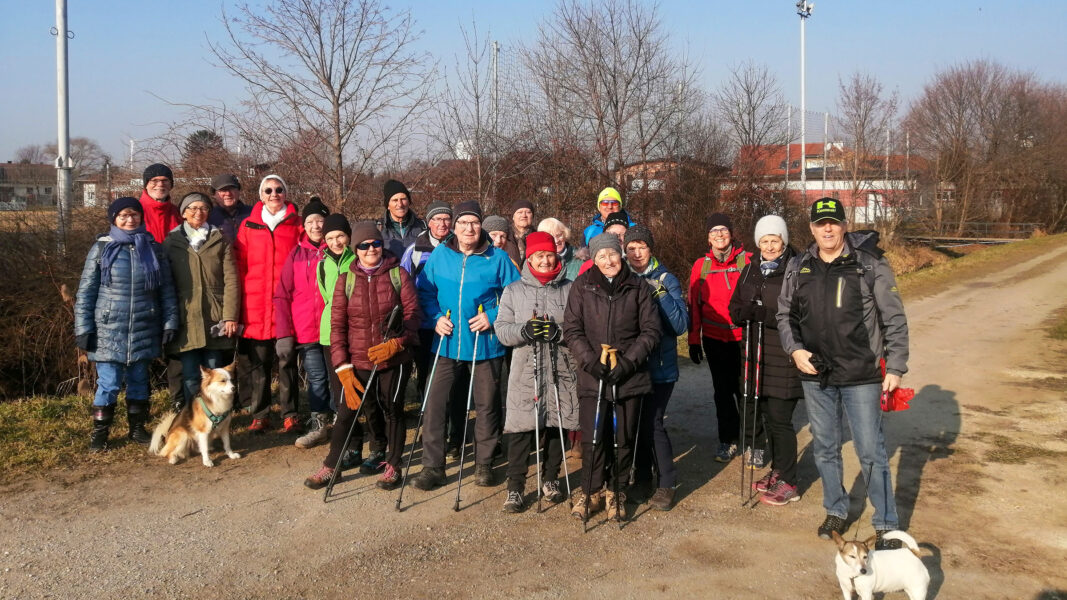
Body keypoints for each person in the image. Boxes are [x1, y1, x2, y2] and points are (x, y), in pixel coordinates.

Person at [777, 198, 909, 545]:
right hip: (816, 374)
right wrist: (795, 349)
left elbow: (893, 317)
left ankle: (886, 523)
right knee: (825, 447)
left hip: (861, 373)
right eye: (821, 224)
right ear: (811, 228)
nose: (828, 229)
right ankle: (836, 509)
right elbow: (785, 316)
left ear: (844, 224)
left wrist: (895, 366)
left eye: (834, 222)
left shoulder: (869, 263)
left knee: (870, 451)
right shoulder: (799, 266)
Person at [410, 201, 520, 491]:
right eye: (462, 223)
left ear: (480, 225)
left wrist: (493, 316)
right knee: (435, 404)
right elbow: (424, 292)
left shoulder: (496, 258)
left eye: (473, 222)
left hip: (485, 344)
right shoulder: (441, 255)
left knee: (486, 405)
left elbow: (516, 295)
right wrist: (434, 318)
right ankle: (433, 466)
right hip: (446, 343)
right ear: (454, 228)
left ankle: (484, 463)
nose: (468, 228)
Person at [304, 221, 421, 490]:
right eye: (364, 245)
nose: (371, 249)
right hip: (357, 359)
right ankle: (331, 466)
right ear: (355, 249)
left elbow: (414, 316)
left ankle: (393, 465)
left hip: (393, 357)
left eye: (376, 243)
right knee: (347, 411)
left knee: (392, 409)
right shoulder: (346, 280)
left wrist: (398, 343)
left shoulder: (398, 275)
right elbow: (337, 327)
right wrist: (341, 365)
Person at [562, 233, 660, 521]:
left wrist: (629, 362)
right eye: (601, 256)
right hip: (594, 375)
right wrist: (590, 361)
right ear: (593, 259)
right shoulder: (582, 286)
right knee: (593, 437)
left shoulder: (638, 287)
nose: (608, 260)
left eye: (612, 254)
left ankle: (617, 489)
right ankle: (591, 490)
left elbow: (650, 330)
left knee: (623, 437)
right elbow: (572, 328)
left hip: (629, 376)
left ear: (621, 255)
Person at [74, 197, 178, 452]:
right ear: (114, 219)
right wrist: (83, 329)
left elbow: (166, 290)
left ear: (141, 218)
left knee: (139, 380)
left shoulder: (153, 248)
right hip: (109, 327)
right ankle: (100, 433)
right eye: (123, 216)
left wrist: (169, 322)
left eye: (134, 215)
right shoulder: (101, 249)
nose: (130, 220)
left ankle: (137, 429)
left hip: (145, 324)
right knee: (108, 383)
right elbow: (86, 292)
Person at [494, 232, 579, 513]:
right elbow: (502, 330)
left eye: (549, 255)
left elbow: (583, 329)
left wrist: (561, 333)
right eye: (538, 255)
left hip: (561, 370)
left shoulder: (570, 288)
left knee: (557, 424)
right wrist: (524, 330)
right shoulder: (514, 290)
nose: (544, 260)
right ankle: (515, 487)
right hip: (525, 371)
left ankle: (551, 478)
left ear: (557, 256)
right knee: (520, 429)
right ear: (529, 258)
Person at [728, 215, 803, 507]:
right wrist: (742, 312)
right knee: (769, 419)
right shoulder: (750, 270)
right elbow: (734, 306)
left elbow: (799, 315)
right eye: (765, 241)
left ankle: (791, 481)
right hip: (756, 356)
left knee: (781, 421)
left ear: (783, 241)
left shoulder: (795, 270)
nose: (770, 246)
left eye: (775, 241)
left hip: (783, 357)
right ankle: (778, 471)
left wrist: (766, 316)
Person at [623, 225, 688, 511]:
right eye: (631, 248)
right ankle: (642, 479)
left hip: (660, 367)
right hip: (632, 366)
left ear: (651, 249)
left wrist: (659, 292)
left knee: (654, 423)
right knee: (635, 422)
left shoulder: (666, 278)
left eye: (642, 247)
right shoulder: (621, 277)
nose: (637, 253)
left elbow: (680, 325)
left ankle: (667, 482)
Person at [234, 174, 303, 434]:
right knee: (258, 363)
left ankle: (290, 413)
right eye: (268, 190)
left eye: (279, 189)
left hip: (286, 305)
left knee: (287, 361)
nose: (274, 194)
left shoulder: (297, 224)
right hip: (255, 305)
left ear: (285, 193)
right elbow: (239, 266)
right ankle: (260, 414)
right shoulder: (248, 226)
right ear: (261, 195)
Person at [162, 192, 239, 409]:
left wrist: (230, 316)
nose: (198, 212)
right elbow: (166, 284)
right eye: (193, 208)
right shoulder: (171, 242)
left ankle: (216, 418)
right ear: (183, 213)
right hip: (185, 315)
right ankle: (193, 419)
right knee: (189, 374)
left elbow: (232, 280)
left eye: (204, 208)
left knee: (215, 371)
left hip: (214, 315)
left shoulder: (220, 239)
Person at [687, 213, 751, 463]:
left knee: (745, 390)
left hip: (743, 338)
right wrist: (694, 340)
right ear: (708, 237)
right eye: (714, 231)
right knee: (722, 391)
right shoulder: (700, 266)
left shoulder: (748, 261)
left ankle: (752, 438)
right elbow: (694, 306)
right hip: (714, 339)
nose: (719, 235)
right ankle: (728, 440)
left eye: (723, 230)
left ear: (732, 233)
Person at [274, 198, 338, 447]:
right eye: (310, 221)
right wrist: (283, 333)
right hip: (306, 331)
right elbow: (282, 294)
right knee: (317, 378)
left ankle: (339, 420)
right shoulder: (296, 254)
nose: (315, 226)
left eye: (320, 220)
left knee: (336, 377)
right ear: (304, 225)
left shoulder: (337, 251)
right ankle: (319, 423)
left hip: (333, 329)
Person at [138, 163, 185, 412]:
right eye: (154, 180)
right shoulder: (135, 212)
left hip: (174, 288)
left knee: (175, 347)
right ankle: (140, 407)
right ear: (145, 184)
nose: (160, 184)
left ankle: (178, 402)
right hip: (144, 290)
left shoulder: (177, 213)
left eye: (165, 180)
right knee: (142, 351)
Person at [314, 213, 355, 451]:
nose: (336, 242)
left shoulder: (357, 259)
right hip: (330, 333)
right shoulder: (322, 265)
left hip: (356, 331)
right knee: (339, 390)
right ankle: (351, 444)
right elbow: (327, 297)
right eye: (330, 237)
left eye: (340, 236)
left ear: (348, 236)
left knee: (360, 386)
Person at [379, 179, 426, 258]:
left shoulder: (423, 227)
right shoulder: (379, 229)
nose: (400, 204)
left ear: (409, 202)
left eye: (403, 199)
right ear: (388, 205)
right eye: (395, 200)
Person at [207, 173, 253, 242]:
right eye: (223, 190)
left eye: (232, 189)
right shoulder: (208, 217)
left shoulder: (253, 213)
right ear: (214, 194)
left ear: (238, 191)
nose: (228, 193)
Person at [509, 199, 535, 263]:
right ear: (513, 216)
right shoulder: (504, 236)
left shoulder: (538, 237)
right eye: (520, 212)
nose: (524, 215)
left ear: (532, 216)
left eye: (528, 212)